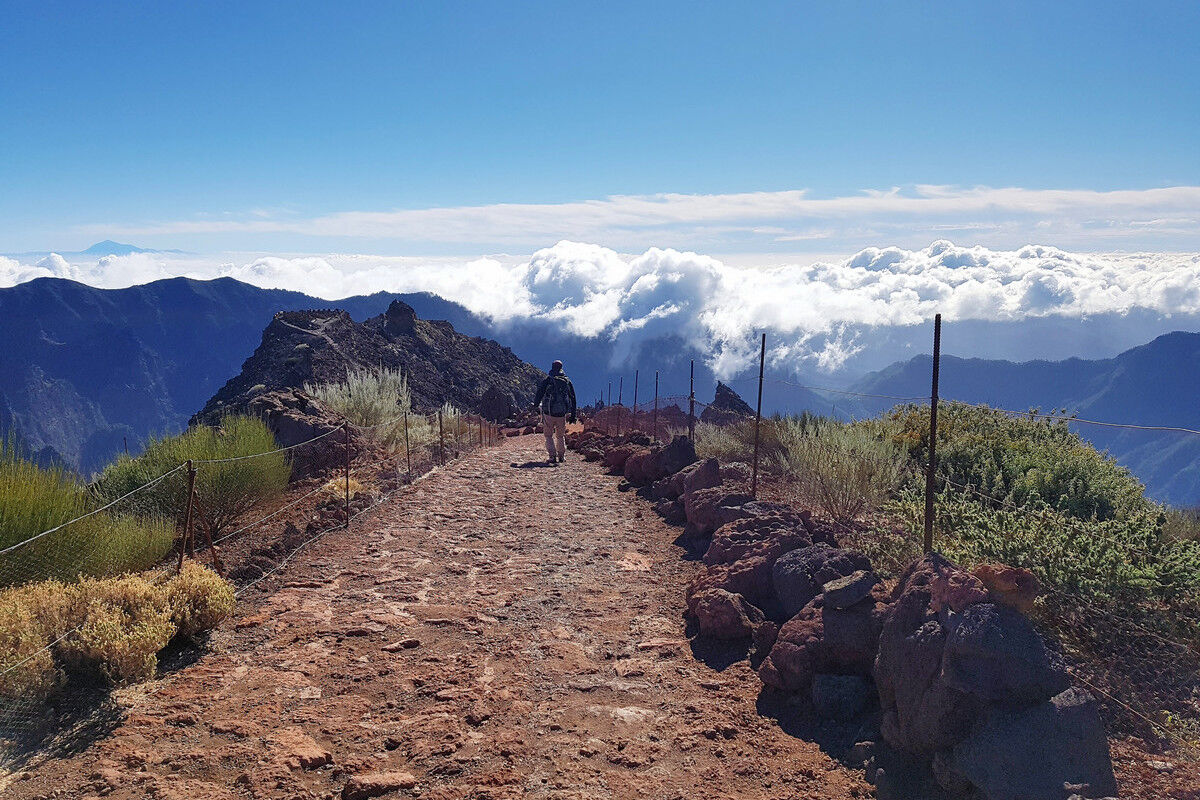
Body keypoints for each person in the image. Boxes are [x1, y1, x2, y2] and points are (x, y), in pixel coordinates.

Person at [532, 359, 576, 464]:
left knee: (548, 435)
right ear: (561, 368)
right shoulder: (567, 381)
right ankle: (561, 456)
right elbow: (573, 398)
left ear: (552, 367)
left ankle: (552, 457)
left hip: (548, 412)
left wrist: (536, 405)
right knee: (560, 436)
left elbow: (540, 393)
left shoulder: (548, 380)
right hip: (561, 413)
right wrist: (573, 414)